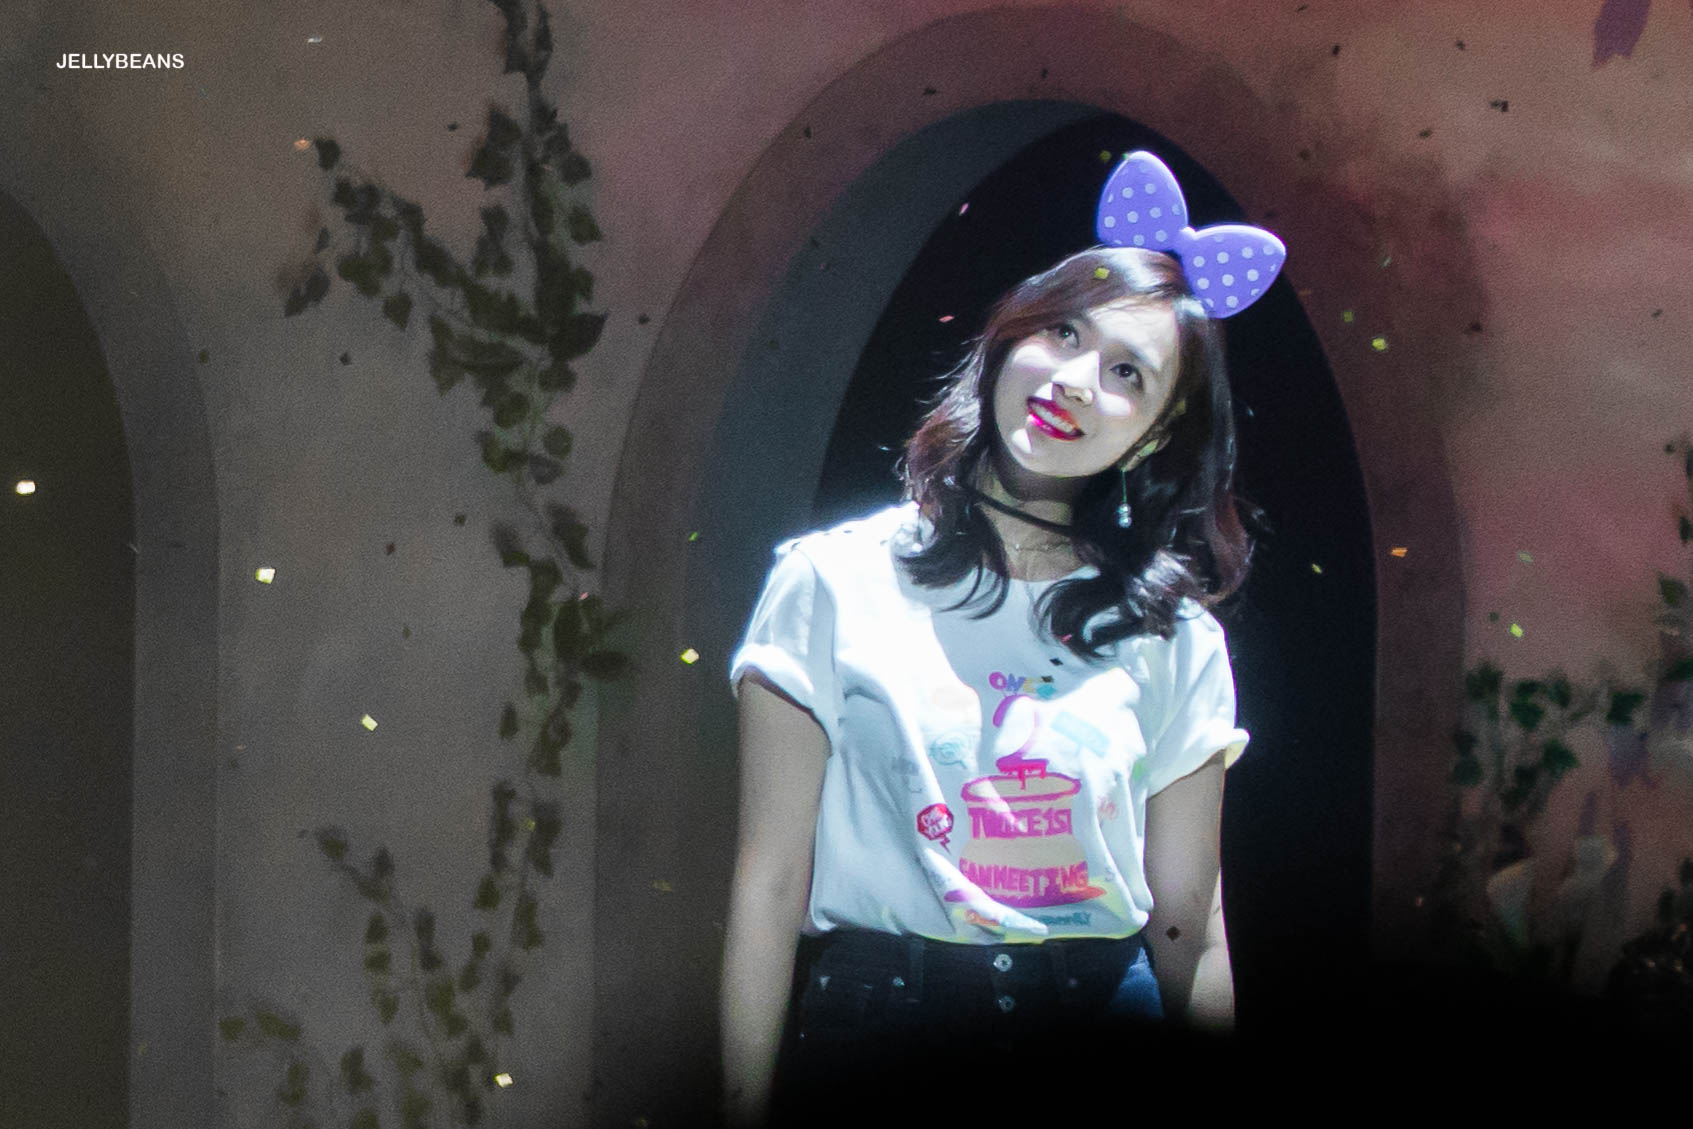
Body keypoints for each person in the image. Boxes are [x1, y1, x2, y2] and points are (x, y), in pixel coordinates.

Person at [719, 152, 1280, 1126]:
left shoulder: (1173, 636)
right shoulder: (831, 582)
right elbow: (769, 885)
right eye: (1063, 332)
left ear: (1155, 434)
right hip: (878, 1024)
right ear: (1010, 334)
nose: (1074, 380)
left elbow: (1190, 922)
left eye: (1126, 373)